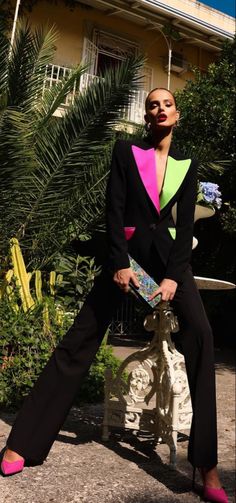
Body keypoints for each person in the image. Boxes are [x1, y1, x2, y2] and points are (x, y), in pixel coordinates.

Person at [1, 87, 228, 502]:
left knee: (202, 335)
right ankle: (24, 441)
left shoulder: (186, 166)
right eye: (152, 105)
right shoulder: (126, 152)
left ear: (177, 115)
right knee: (80, 341)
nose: (160, 109)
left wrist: (175, 277)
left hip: (169, 268)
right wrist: (120, 262)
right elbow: (114, 208)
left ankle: (206, 465)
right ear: (146, 116)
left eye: (167, 104)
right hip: (127, 262)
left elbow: (184, 231)